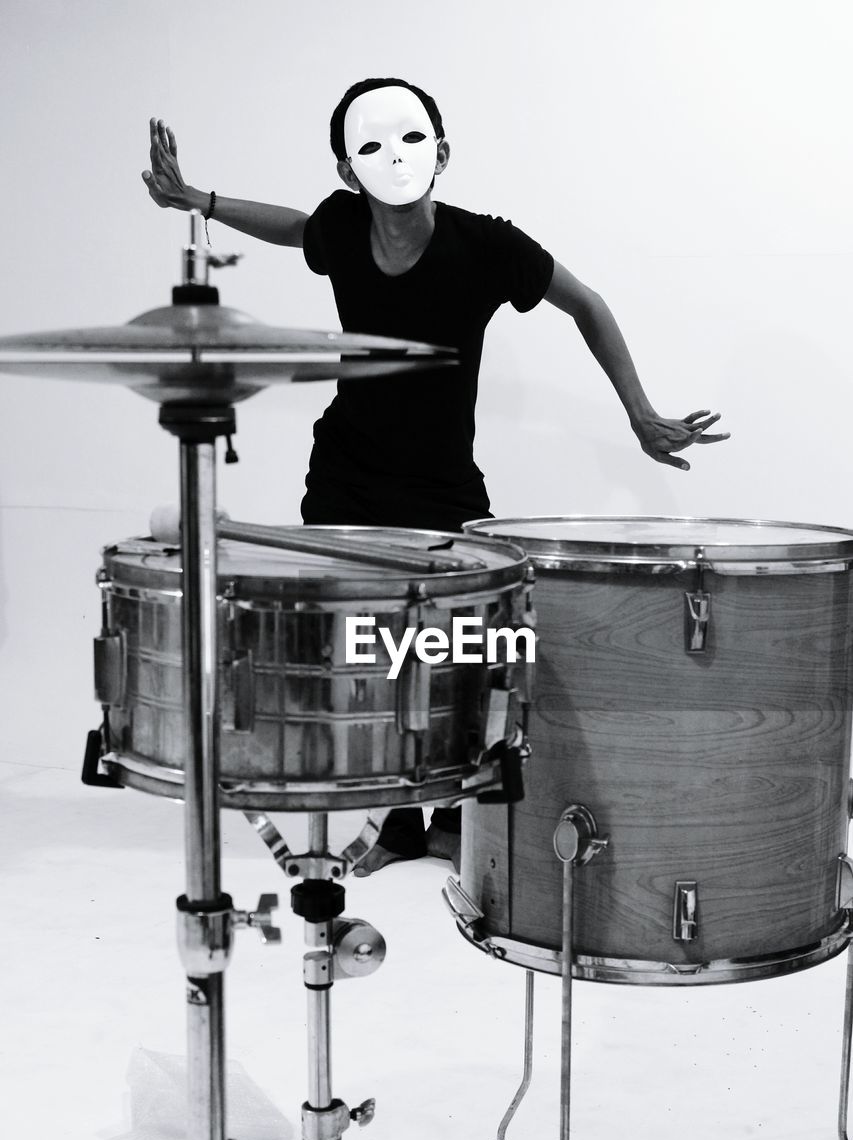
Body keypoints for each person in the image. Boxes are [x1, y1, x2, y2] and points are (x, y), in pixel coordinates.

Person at [142, 78, 727, 875]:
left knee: (454, 654)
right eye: (371, 148)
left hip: (442, 485)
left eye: (412, 140)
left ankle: (452, 810)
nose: (394, 157)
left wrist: (639, 413)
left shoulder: (487, 246)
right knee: (362, 652)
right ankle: (399, 824)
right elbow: (294, 229)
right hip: (346, 474)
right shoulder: (343, 225)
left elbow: (585, 302)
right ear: (349, 170)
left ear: (442, 153)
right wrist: (197, 199)